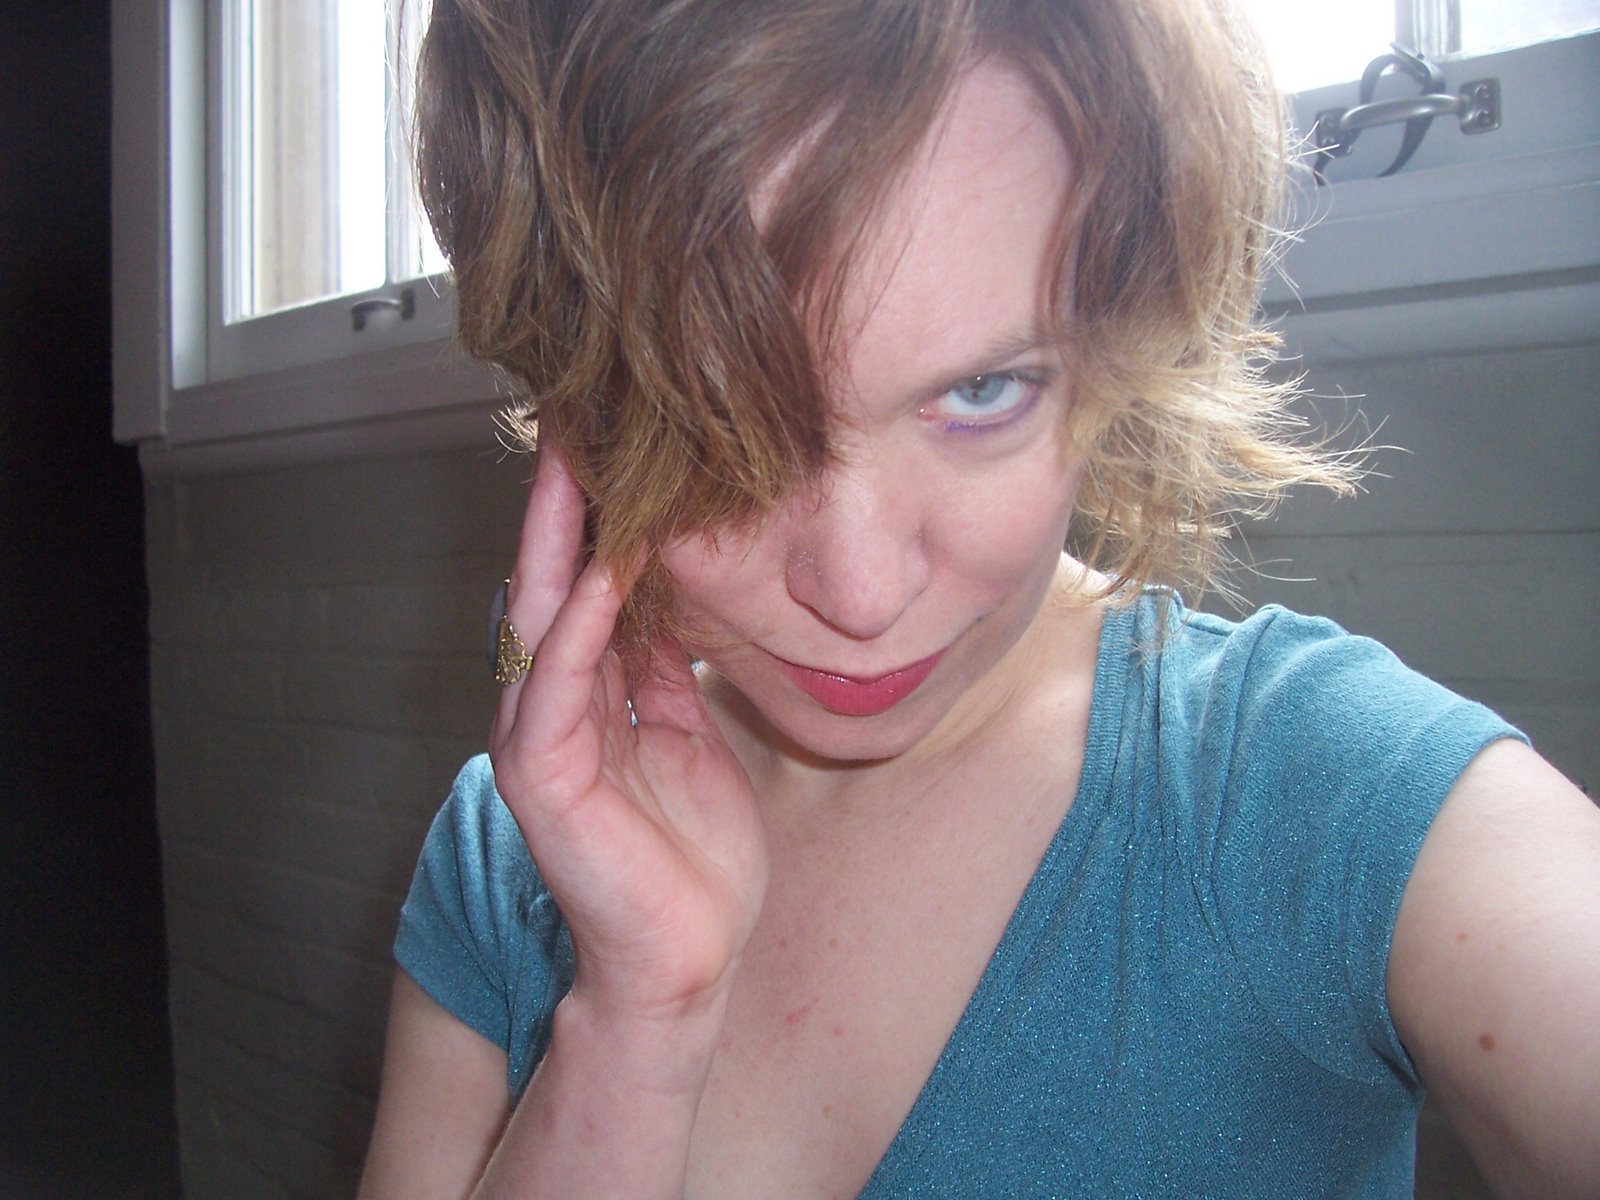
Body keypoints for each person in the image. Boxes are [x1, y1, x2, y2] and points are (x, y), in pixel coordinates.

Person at [358, 1, 1600, 1196]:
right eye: (718, 425)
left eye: (983, 391)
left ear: (1113, 342)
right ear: (576, 414)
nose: (860, 593)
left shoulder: (1316, 792)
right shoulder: (511, 853)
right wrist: (632, 1025)